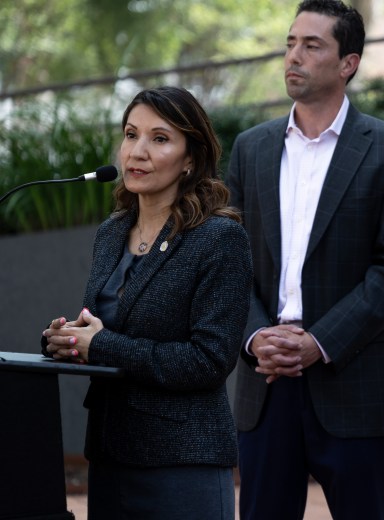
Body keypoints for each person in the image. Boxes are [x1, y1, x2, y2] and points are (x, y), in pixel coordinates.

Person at [227, 1, 384, 519]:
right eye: (291, 43)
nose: (294, 56)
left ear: (348, 64)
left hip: (351, 379)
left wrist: (319, 342)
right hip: (264, 381)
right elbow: (228, 261)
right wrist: (255, 338)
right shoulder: (251, 149)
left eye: (312, 45)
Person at [41, 86, 252, 520]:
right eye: (131, 134)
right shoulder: (112, 232)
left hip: (181, 462)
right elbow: (106, 331)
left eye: (159, 138)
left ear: (190, 157)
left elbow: (209, 360)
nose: (137, 151)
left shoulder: (219, 238)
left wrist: (99, 345)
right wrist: (67, 340)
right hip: (110, 453)